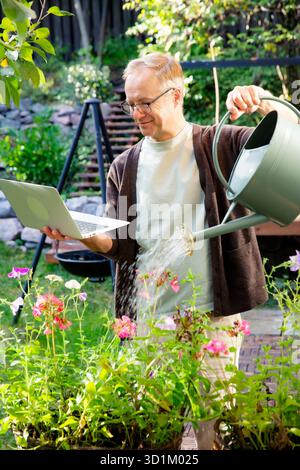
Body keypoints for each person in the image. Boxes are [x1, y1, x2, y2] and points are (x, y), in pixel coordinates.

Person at [42, 52, 297, 449]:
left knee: (214, 429)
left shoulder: (221, 143)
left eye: (146, 102)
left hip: (213, 313)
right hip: (150, 317)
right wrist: (78, 233)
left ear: (176, 96)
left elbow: (290, 143)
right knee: (155, 434)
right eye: (130, 103)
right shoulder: (124, 166)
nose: (137, 112)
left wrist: (260, 98)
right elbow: (120, 243)